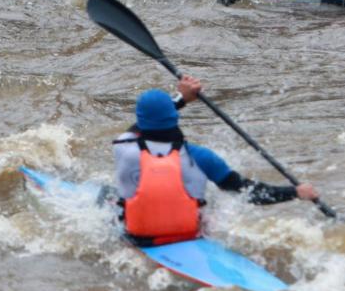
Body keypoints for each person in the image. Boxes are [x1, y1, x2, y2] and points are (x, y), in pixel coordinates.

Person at [112, 84, 320, 246]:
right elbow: (245, 192)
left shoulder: (123, 147)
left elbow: (141, 127)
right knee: (210, 209)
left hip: (137, 239)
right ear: (175, 118)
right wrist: (295, 192)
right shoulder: (201, 157)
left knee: (109, 196)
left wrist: (181, 98)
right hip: (188, 236)